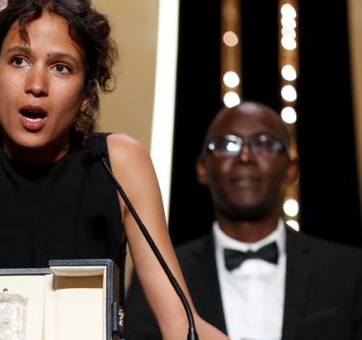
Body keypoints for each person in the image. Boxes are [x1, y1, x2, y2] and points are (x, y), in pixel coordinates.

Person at [0, 1, 227, 338]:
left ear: (86, 96)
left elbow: (182, 325)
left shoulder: (120, 163)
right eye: (19, 60)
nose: (36, 83)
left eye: (61, 67)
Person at [124, 101, 362, 339]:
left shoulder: (349, 271)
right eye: (227, 144)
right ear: (201, 168)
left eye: (264, 143)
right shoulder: (159, 274)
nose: (245, 156)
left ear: (291, 169)